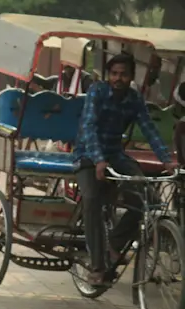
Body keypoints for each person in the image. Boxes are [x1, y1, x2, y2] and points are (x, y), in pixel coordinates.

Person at [73, 52, 177, 287]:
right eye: (114, 74)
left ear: (131, 77)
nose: (118, 78)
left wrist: (166, 159)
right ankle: (97, 266)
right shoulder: (97, 92)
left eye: (123, 74)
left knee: (147, 197)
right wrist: (98, 159)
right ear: (109, 75)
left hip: (116, 155)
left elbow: (149, 128)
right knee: (92, 199)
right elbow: (88, 126)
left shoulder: (134, 98)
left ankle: (114, 246)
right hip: (88, 154)